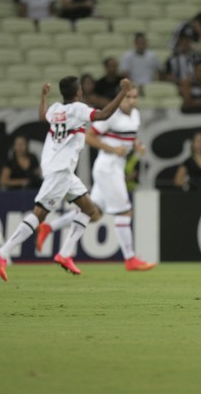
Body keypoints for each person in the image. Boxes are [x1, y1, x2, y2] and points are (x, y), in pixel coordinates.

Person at [0, 76, 133, 282]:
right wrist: (122, 92)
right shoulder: (78, 109)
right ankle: (3, 253)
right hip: (59, 170)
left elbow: (42, 115)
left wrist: (43, 97)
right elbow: (103, 115)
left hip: (63, 171)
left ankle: (65, 254)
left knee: (90, 210)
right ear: (78, 93)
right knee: (39, 215)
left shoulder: (56, 109)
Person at [37, 85, 156, 272]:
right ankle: (130, 259)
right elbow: (89, 137)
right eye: (128, 97)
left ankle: (50, 228)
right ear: (122, 97)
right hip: (107, 167)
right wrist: (113, 149)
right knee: (124, 212)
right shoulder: (112, 116)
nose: (131, 101)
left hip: (115, 167)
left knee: (94, 214)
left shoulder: (135, 115)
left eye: (134, 97)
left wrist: (137, 145)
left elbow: (127, 137)